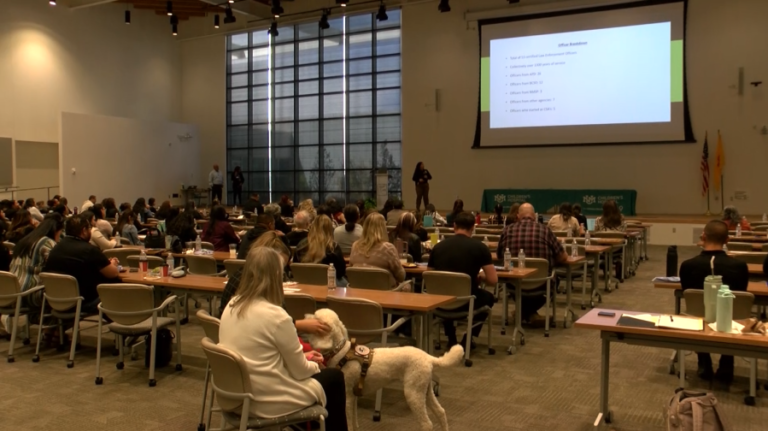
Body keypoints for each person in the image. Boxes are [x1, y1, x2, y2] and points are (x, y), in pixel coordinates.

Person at [219, 247, 348, 430]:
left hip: (235, 394)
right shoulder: (276, 316)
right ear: (276, 276)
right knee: (334, 378)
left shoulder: (232, 304)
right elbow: (301, 371)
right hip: (266, 400)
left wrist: (305, 358)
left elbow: (262, 353)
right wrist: (314, 363)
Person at [680, 220, 748, 382]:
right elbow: (741, 295)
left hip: (698, 320)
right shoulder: (740, 267)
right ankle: (727, 363)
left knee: (699, 314)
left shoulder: (687, 266)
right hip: (732, 320)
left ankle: (703, 361)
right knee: (731, 313)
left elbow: (686, 294)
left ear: (703, 237)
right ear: (727, 240)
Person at [429, 211, 498, 347]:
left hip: (441, 301)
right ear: (473, 227)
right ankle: (468, 338)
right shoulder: (480, 248)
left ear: (454, 226)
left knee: (446, 290)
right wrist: (481, 277)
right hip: (467, 301)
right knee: (488, 298)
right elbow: (493, 280)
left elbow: (430, 276)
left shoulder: (438, 247)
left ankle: (451, 337)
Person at [497, 203, 567, 325]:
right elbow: (563, 257)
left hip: (514, 284)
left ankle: (524, 313)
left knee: (520, 287)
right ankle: (530, 314)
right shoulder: (545, 230)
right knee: (555, 280)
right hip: (542, 284)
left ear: (518, 216)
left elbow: (499, 256)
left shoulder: (506, 230)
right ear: (534, 216)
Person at [44, 214, 121, 313]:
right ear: (84, 230)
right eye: (90, 228)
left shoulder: (56, 248)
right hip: (83, 302)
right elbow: (113, 273)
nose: (91, 231)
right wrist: (113, 264)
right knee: (118, 289)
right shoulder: (89, 250)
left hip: (56, 301)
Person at [9, 214, 64, 309]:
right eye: (61, 232)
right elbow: (58, 265)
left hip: (11, 291)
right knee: (67, 291)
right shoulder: (47, 242)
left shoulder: (26, 239)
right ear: (56, 231)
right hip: (29, 293)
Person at [349, 213, 405, 288]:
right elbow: (401, 277)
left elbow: (352, 270)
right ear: (383, 228)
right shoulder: (388, 248)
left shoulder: (355, 246)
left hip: (359, 294)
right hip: (387, 295)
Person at [294, 216, 346, 284]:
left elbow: (295, 268)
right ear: (330, 229)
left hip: (304, 283)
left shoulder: (301, 245)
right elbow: (341, 272)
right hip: (329, 284)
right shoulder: (333, 247)